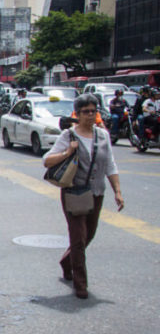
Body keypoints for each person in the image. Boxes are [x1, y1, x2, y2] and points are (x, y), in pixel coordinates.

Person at [43, 94, 124, 299]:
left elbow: (110, 165)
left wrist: (118, 191)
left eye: (93, 111)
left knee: (89, 235)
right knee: (78, 237)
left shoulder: (103, 135)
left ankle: (66, 261)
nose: (90, 115)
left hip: (96, 192)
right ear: (77, 114)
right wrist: (67, 152)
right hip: (74, 192)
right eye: (85, 111)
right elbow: (47, 161)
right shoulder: (68, 136)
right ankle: (81, 283)